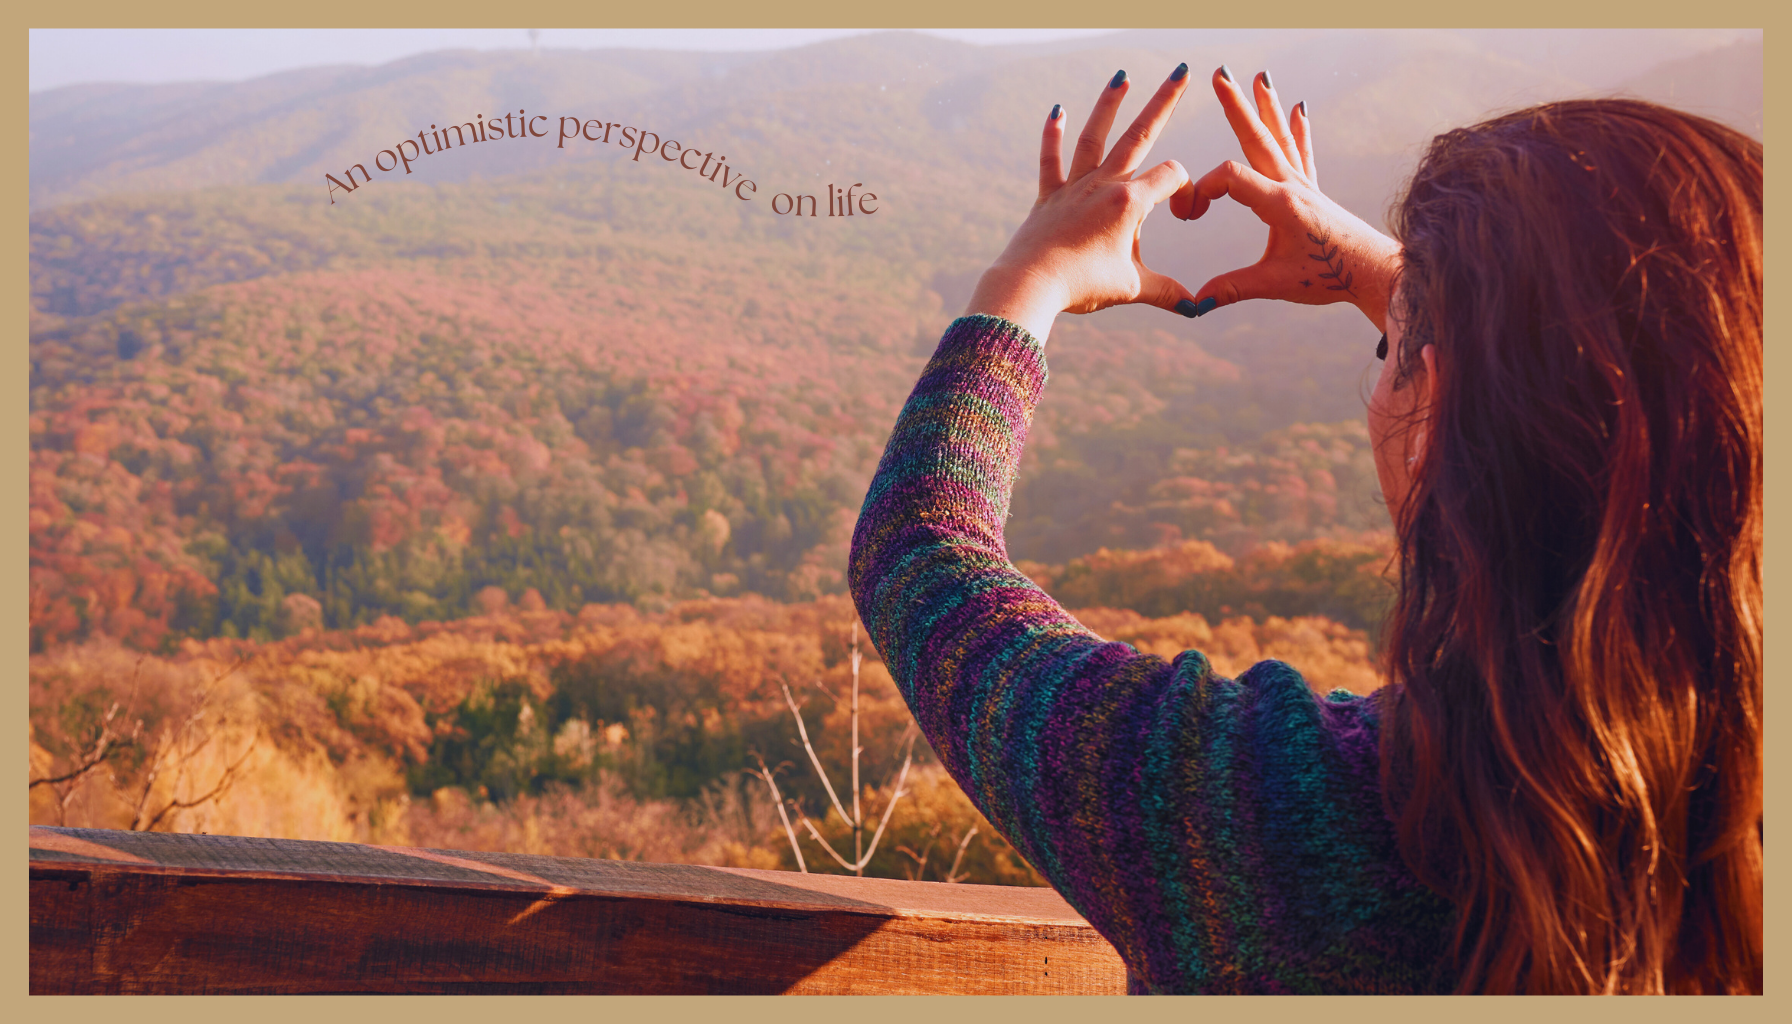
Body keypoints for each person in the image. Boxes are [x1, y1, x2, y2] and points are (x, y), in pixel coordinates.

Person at [848, 63, 1762, 994]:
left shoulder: (1270, 818)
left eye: (1393, 351)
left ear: (1437, 413)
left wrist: (1025, 279)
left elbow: (918, 552)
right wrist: (1412, 297)